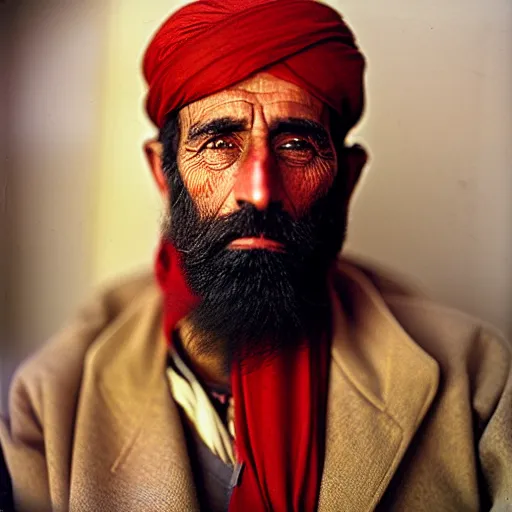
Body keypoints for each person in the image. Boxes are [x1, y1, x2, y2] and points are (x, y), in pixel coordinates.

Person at [1, 0, 511, 510]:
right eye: (220, 143)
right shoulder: (51, 403)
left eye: (296, 145)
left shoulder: (475, 382)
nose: (260, 191)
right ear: (163, 173)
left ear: (347, 180)